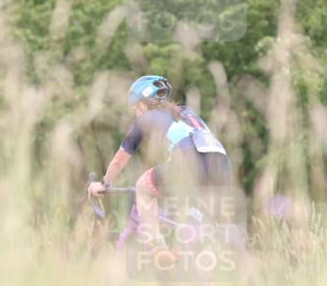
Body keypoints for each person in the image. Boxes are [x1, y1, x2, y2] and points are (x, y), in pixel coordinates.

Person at [88, 75, 233, 249]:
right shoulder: (185, 112)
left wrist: (104, 184)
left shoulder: (145, 118)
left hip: (189, 163)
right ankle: (198, 245)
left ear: (142, 103)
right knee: (194, 213)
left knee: (143, 186)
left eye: (135, 107)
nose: (135, 112)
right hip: (223, 164)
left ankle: (157, 247)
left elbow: (119, 161)